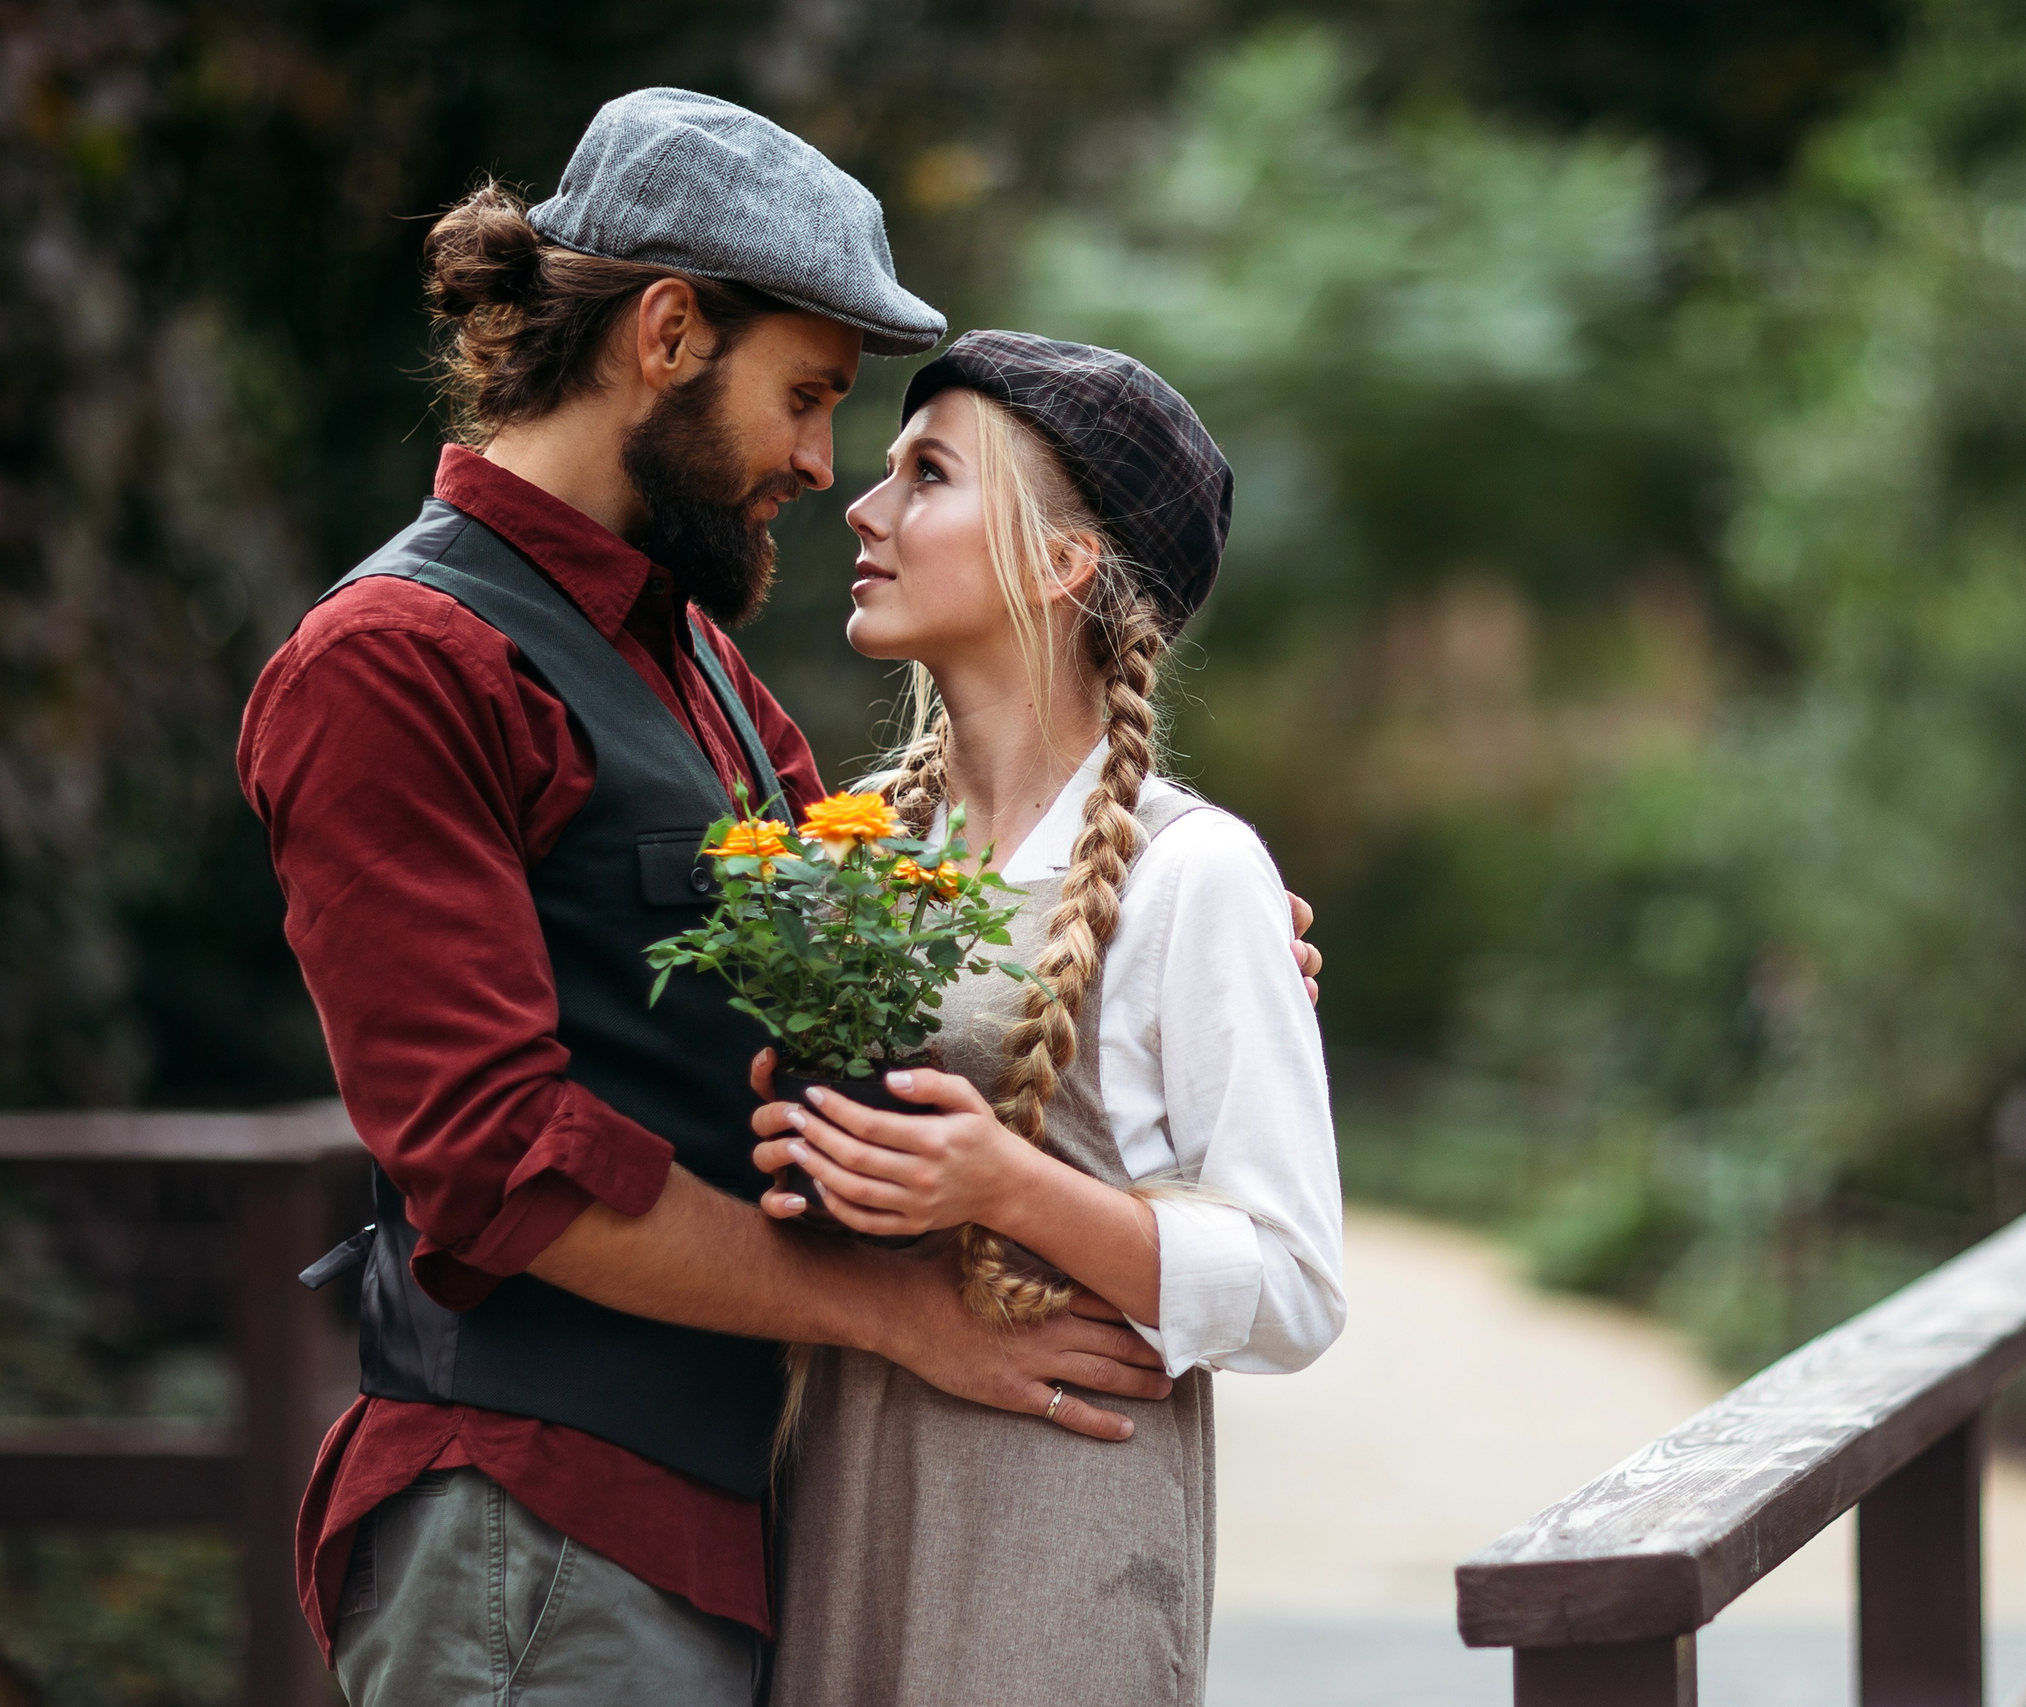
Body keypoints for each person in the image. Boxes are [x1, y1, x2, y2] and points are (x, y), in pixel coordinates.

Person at [237, 92, 1321, 1704]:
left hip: (740, 1538)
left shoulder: (706, 679)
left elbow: (887, 993)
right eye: (809, 398)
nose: (825, 470)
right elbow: (493, 1161)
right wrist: (899, 1316)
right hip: (537, 1525)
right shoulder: (397, 662)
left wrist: (1191, 929)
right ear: (668, 334)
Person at [749, 331, 1345, 1707]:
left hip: (1057, 1553)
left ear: (1064, 561)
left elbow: (1296, 1291)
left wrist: (1006, 1185)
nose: (865, 503)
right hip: (829, 1530)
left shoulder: (1197, 874)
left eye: (929, 474)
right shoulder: (844, 862)